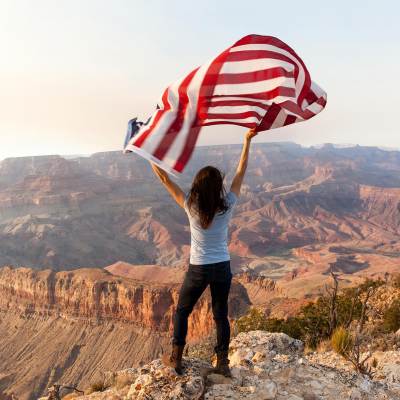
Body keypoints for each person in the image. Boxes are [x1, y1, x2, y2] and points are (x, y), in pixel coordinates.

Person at [150, 128, 258, 375]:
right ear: (219, 187)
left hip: (198, 268)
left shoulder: (190, 204)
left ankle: (176, 357)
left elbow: (165, 180)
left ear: (197, 185)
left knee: (182, 311)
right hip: (222, 266)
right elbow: (241, 173)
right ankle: (222, 364)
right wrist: (246, 141)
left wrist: (149, 156)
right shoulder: (228, 204)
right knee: (221, 315)